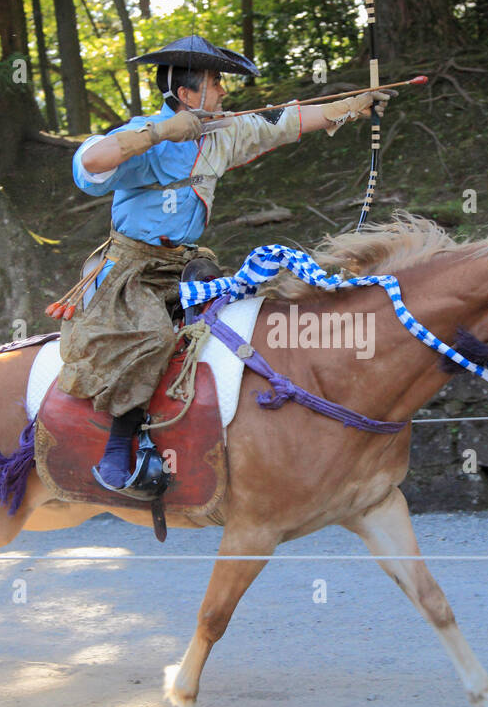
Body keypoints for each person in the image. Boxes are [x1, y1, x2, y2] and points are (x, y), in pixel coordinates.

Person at [60, 35, 393, 497]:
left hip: (188, 263)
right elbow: (89, 162)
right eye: (215, 83)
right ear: (186, 94)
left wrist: (353, 107)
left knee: (247, 316)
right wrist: (161, 132)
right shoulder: (143, 136)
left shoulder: (223, 131)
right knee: (152, 336)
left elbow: (285, 121)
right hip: (130, 268)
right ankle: (121, 447)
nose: (223, 92)